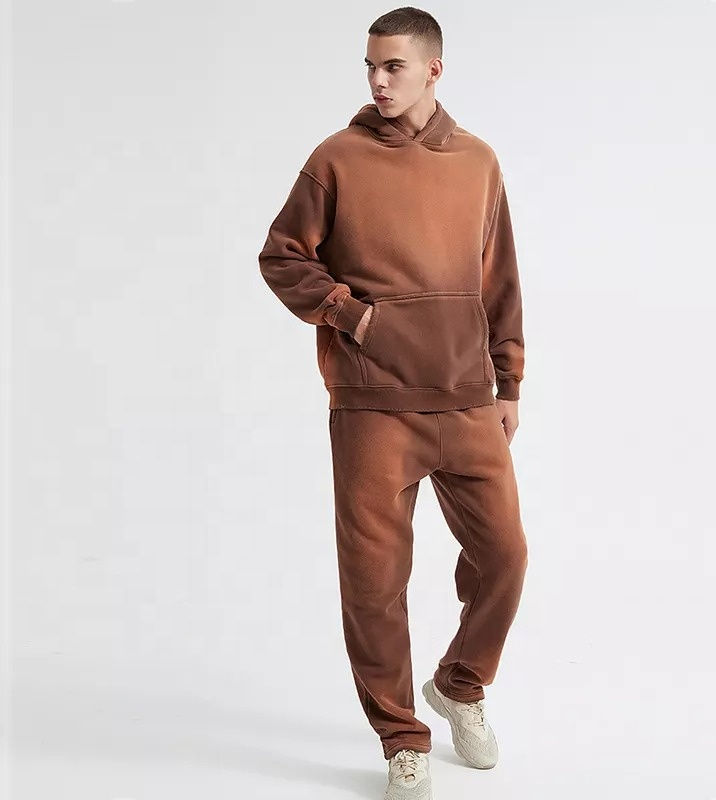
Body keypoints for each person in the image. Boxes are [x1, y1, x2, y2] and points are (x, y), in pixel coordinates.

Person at [258, 7, 528, 798]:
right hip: (372, 405)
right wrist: (352, 315)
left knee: (505, 556)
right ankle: (402, 738)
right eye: (370, 67)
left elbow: (500, 279)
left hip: (467, 400)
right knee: (375, 582)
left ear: (433, 69)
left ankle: (461, 684)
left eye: (393, 67)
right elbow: (281, 256)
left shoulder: (477, 161)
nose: (378, 80)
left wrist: (509, 381)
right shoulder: (335, 158)